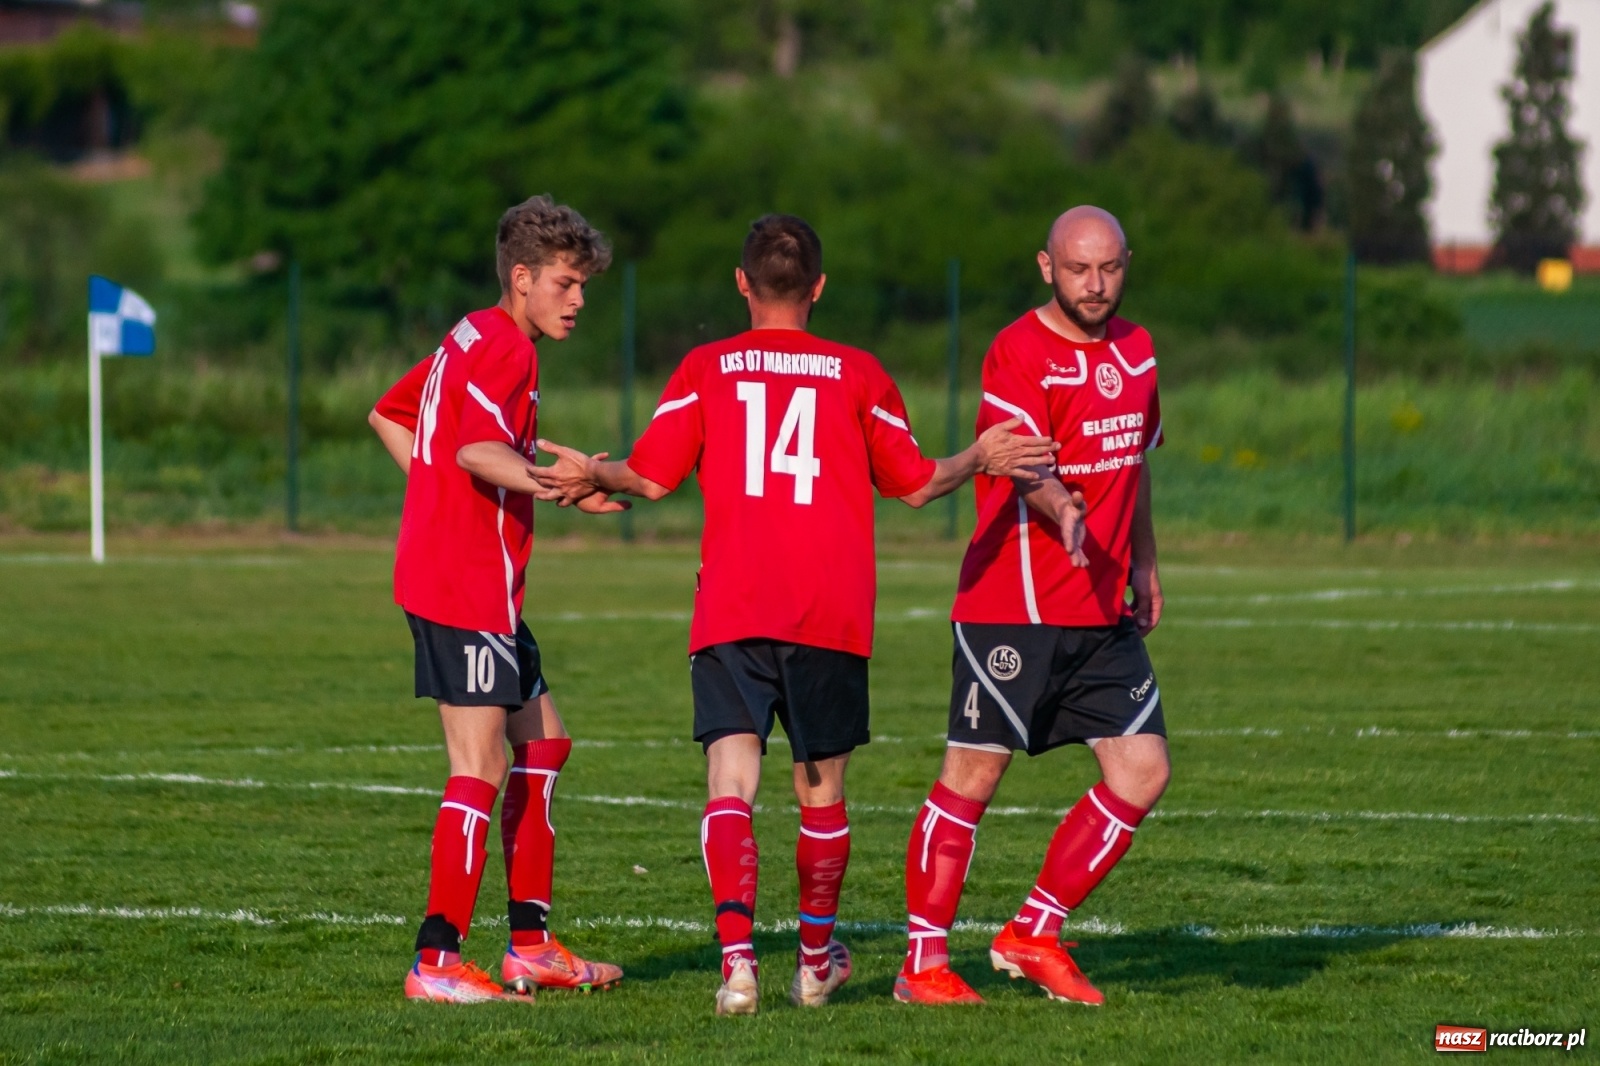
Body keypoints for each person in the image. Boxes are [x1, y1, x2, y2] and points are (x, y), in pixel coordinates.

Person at [529, 214, 1057, 1016]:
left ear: (742, 283)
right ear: (819, 288)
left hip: (733, 607)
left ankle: (737, 966)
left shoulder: (708, 366)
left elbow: (653, 478)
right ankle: (813, 965)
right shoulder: (858, 373)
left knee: (730, 782)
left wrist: (593, 473)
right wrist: (979, 455)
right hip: (828, 613)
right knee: (821, 794)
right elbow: (918, 484)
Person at [894, 205, 1170, 1007]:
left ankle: (1033, 933)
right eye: (1079, 268)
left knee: (1143, 770)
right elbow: (1022, 462)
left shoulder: (1139, 351)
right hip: (1012, 605)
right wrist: (1062, 509)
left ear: (1127, 263)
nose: (1096, 284)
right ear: (1047, 267)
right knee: (973, 775)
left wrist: (1144, 564)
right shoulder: (1017, 350)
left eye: (1109, 267)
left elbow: (1137, 463)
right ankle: (922, 966)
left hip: (1100, 606)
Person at [366, 195, 629, 1004]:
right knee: (478, 765)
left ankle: (531, 947)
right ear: (522, 278)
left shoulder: (471, 333)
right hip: (463, 585)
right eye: (565, 283)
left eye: (582, 285)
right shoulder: (508, 350)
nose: (577, 299)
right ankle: (436, 960)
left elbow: (389, 415)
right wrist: (554, 481)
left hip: (478, 582)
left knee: (545, 743)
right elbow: (477, 449)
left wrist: (443, 495)